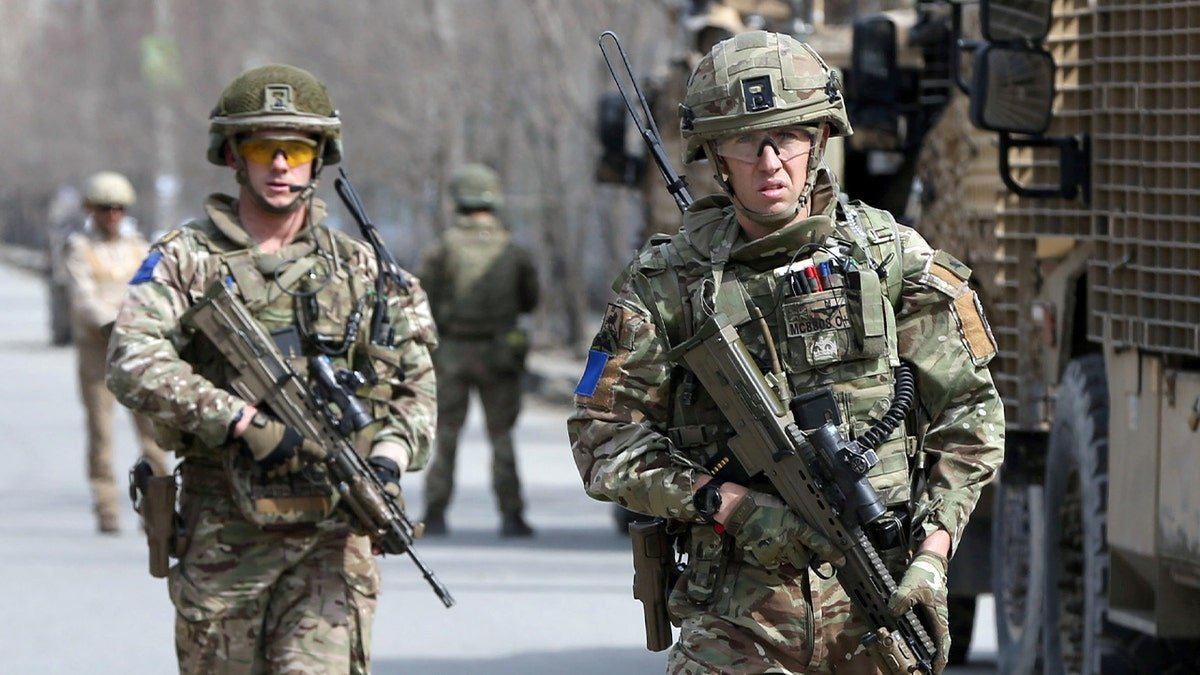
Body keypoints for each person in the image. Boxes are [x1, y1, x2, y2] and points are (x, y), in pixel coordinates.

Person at [568, 31, 1004, 674]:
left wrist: (934, 552)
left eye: (789, 136)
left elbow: (970, 418)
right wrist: (726, 503)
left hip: (874, 610)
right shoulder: (667, 283)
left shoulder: (890, 259)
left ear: (820, 139)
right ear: (715, 154)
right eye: (747, 141)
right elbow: (600, 437)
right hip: (732, 620)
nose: (770, 161)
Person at [106, 64, 437, 673]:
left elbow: (413, 386)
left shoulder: (365, 272)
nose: (280, 164)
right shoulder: (184, 259)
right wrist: (241, 422)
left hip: (333, 544)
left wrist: (387, 462)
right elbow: (131, 359)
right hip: (224, 540)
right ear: (233, 155)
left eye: (296, 149)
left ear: (319, 157)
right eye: (263, 147)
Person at [419, 164, 540, 537]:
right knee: (501, 437)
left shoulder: (442, 249)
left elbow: (423, 298)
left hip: (453, 350)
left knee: (447, 436)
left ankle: (435, 513)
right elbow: (530, 300)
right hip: (500, 352)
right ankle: (511, 515)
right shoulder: (512, 249)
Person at [64, 171, 171, 534]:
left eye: (118, 208)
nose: (112, 215)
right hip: (98, 352)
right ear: (91, 210)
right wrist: (115, 325)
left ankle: (157, 505)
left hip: (136, 350)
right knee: (101, 432)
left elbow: (154, 290)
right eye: (105, 208)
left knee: (153, 432)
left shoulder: (139, 247)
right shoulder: (80, 248)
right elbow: (83, 299)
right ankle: (106, 504)